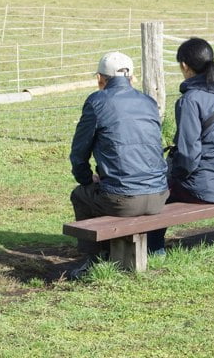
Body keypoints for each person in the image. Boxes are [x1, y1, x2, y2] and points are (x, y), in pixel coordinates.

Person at [68, 51, 169, 279]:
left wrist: (86, 179)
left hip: (122, 198)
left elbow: (78, 154)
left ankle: (94, 260)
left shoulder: (97, 102)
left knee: (80, 195)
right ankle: (152, 251)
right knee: (103, 191)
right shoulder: (148, 102)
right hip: (159, 195)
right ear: (131, 78)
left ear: (99, 79)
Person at [147, 38, 214, 254]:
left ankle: (153, 252)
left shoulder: (190, 100)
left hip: (203, 188)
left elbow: (189, 155)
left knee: (153, 196)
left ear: (184, 66)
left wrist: (173, 176)